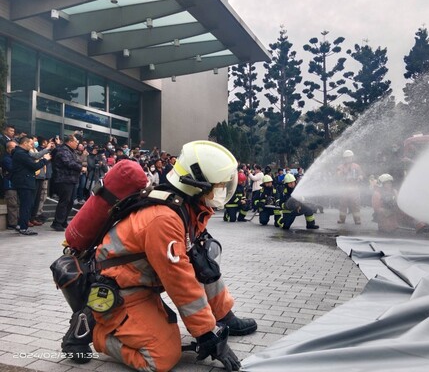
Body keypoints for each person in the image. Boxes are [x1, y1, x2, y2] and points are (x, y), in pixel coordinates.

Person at [62, 140, 255, 371]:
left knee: (203, 261)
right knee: (161, 358)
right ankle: (97, 331)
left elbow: (197, 265)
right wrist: (206, 334)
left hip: (143, 277)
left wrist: (220, 318)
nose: (222, 190)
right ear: (196, 185)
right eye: (218, 185)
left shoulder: (186, 204)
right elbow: (179, 280)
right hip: (122, 288)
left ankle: (225, 315)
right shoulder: (164, 219)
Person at [11, 136, 51, 235]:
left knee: (25, 205)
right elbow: (34, 166)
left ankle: (21, 225)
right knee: (26, 205)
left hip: (24, 181)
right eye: (30, 144)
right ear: (25, 143)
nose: (32, 146)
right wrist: (45, 160)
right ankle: (24, 228)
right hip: (25, 182)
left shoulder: (21, 153)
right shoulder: (21, 154)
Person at [51, 134, 82, 231]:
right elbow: (69, 163)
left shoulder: (71, 151)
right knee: (64, 201)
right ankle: (57, 222)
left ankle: (63, 221)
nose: (77, 143)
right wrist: (81, 168)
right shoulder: (63, 150)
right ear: (70, 142)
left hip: (71, 179)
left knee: (70, 201)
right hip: (64, 179)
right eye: (76, 141)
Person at [337, 150, 364, 225]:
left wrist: (360, 178)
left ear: (352, 158)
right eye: (346, 158)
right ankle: (342, 219)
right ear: (344, 158)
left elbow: (361, 174)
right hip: (344, 188)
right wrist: (340, 174)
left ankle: (357, 220)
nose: (348, 159)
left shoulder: (356, 166)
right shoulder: (341, 167)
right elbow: (338, 174)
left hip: (354, 188)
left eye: (349, 157)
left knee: (356, 204)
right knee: (343, 204)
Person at [1, 141, 19, 229]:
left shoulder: (14, 158)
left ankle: (17, 221)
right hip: (10, 185)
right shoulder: (6, 159)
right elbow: (13, 169)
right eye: (13, 148)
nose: (15, 150)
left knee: (17, 204)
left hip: (17, 185)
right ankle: (12, 224)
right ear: (8, 149)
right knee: (12, 205)